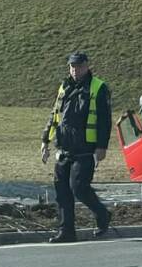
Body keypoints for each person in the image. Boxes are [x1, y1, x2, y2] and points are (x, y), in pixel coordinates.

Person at [41, 52, 113, 243]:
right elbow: (55, 115)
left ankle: (102, 214)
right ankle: (66, 231)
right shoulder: (64, 86)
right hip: (64, 149)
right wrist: (45, 141)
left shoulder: (98, 88)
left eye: (79, 66)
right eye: (72, 67)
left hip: (85, 149)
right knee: (62, 192)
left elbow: (105, 121)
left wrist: (101, 147)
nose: (75, 70)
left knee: (79, 187)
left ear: (87, 66)